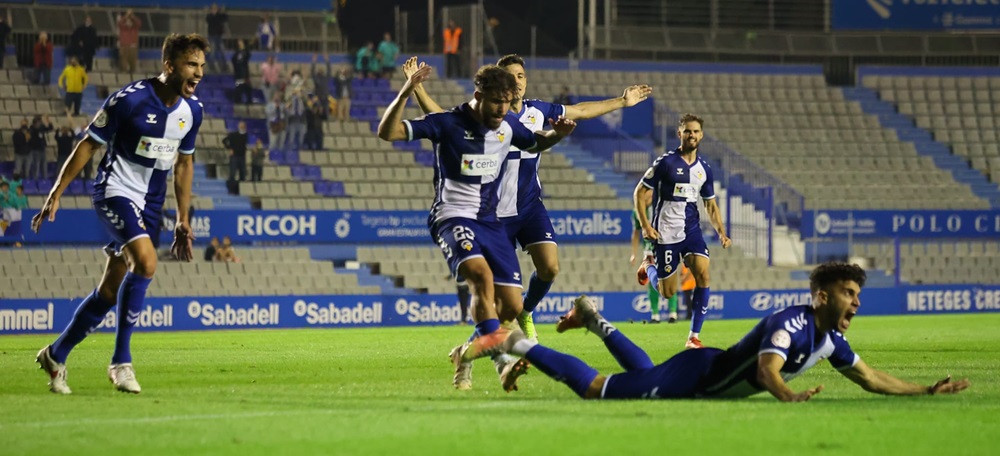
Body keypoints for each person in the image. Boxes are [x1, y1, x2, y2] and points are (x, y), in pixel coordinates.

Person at [403, 54, 652, 386]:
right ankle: (475, 350)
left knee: (549, 268)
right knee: (496, 305)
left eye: (521, 76)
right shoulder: (486, 117)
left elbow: (579, 111)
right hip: (492, 213)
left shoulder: (538, 111)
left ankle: (526, 312)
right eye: (511, 77)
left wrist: (622, 101)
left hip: (529, 207)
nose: (517, 81)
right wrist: (416, 89)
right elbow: (441, 119)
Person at [469, 262, 971, 401]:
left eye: (858, 297)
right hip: (699, 374)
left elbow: (870, 377)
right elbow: (766, 368)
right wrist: (786, 397)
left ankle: (597, 320)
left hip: (699, 374)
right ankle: (513, 341)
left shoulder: (829, 339)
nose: (855, 305)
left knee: (647, 377)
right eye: (847, 295)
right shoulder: (791, 323)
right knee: (599, 389)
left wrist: (926, 388)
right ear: (821, 296)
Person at [377, 63, 576, 392]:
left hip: (490, 221)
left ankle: (465, 355)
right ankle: (503, 363)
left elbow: (535, 143)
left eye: (507, 101)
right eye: (497, 101)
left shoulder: (508, 126)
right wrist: (406, 91)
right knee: (481, 280)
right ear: (478, 95)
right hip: (452, 215)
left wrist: (558, 135)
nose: (502, 109)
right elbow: (388, 132)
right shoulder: (448, 123)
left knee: (512, 306)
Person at [32, 33, 207, 395]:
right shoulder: (129, 101)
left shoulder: (193, 112)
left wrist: (183, 218)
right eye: (192, 64)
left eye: (202, 66)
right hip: (115, 191)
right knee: (146, 263)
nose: (199, 72)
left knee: (109, 292)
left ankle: (55, 353)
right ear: (169, 65)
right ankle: (120, 362)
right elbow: (87, 145)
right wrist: (57, 191)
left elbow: (184, 164)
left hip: (151, 205)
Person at [634, 113, 731, 349]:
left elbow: (710, 203)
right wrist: (646, 226)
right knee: (667, 293)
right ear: (680, 134)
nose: (692, 135)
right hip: (665, 232)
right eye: (688, 131)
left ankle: (693, 337)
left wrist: (721, 232)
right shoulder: (665, 163)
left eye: (696, 131)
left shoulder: (705, 169)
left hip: (691, 230)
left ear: (702, 135)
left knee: (704, 275)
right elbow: (639, 192)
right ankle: (649, 266)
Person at [631, 188, 677, 323]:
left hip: (665, 247)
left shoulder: (662, 206)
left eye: (649, 192)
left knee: (670, 278)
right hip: (649, 250)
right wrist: (633, 254)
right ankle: (655, 315)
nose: (647, 195)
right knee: (652, 282)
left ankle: (672, 313)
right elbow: (635, 233)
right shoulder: (637, 211)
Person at [29, 115, 53, 179]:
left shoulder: (41, 128)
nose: (40, 123)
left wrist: (48, 121)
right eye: (39, 122)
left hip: (42, 149)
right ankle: (35, 179)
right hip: (35, 150)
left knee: (44, 165)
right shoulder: (32, 129)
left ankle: (45, 179)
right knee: (36, 165)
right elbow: (35, 133)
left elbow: (50, 128)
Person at [205, 4, 228, 73]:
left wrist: (223, 12)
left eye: (215, 9)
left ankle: (224, 67)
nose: (214, 10)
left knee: (222, 51)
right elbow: (208, 20)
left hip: (218, 36)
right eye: (213, 9)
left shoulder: (219, 16)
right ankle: (212, 67)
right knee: (212, 52)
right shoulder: (209, 16)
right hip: (212, 36)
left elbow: (225, 18)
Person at [117, 9, 141, 74]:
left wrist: (132, 17)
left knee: (133, 62)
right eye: (128, 21)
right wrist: (126, 16)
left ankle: (132, 73)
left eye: (130, 22)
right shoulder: (123, 28)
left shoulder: (134, 28)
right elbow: (120, 23)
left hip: (133, 46)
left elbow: (138, 23)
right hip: (124, 46)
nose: (129, 23)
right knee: (123, 61)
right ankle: (124, 73)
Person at [231, 39, 251, 105]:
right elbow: (233, 60)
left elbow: (247, 57)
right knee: (238, 87)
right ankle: (238, 100)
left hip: (244, 74)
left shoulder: (246, 52)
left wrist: (244, 49)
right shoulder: (236, 53)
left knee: (247, 87)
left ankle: (249, 100)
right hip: (238, 74)